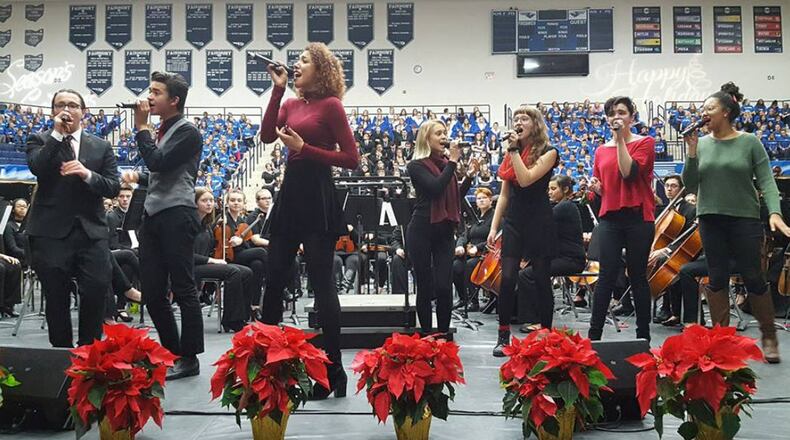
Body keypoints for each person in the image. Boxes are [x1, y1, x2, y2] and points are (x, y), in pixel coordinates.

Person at [259, 43, 359, 399]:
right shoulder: (288, 103)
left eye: (303, 61)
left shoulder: (330, 106)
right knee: (274, 279)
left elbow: (351, 158)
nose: (296, 64)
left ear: (321, 69)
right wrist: (277, 89)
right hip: (291, 194)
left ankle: (333, 371)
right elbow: (267, 135)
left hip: (318, 194)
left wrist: (304, 149)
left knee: (322, 285)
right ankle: (266, 366)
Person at [682, 82, 790, 364]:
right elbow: (690, 184)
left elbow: (766, 180)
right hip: (710, 218)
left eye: (709, 108)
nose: (703, 113)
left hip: (744, 217)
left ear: (726, 112)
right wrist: (692, 153)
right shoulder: (701, 144)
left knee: (753, 276)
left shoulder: (749, 142)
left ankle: (768, 338)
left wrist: (775, 213)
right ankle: (722, 345)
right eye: (702, 108)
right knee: (716, 278)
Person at [124, 71, 203, 380]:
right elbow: (162, 171)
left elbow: (157, 162)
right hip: (154, 215)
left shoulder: (188, 131)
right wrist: (139, 177)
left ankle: (191, 356)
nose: (149, 97)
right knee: (154, 292)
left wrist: (141, 127)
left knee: (183, 288)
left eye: (156, 92)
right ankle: (171, 352)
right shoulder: (164, 130)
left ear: (174, 100)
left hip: (178, 215)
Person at [25, 88, 120, 347]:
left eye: (73, 105)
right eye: (60, 105)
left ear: (83, 112)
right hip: (50, 233)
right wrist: (56, 135)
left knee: (96, 290)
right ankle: (61, 357)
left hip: (91, 232)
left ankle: (89, 353)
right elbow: (38, 167)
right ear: (53, 111)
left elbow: (113, 186)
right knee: (56, 298)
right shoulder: (39, 139)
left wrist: (87, 174)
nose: (67, 110)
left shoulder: (101, 146)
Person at [488, 106, 558, 357]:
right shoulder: (511, 154)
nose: (518, 121)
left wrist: (514, 150)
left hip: (538, 220)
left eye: (524, 118)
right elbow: (505, 193)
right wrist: (494, 227)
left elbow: (527, 179)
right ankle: (503, 335)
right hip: (514, 221)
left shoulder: (550, 153)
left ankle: (548, 335)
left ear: (535, 124)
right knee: (507, 278)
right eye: (515, 118)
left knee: (541, 278)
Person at [588, 96, 655, 343]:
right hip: (610, 218)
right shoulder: (600, 150)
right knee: (605, 275)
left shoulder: (645, 143)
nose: (616, 116)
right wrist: (597, 189)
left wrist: (619, 141)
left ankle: (643, 336)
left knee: (637, 275)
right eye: (612, 113)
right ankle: (594, 335)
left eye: (622, 112)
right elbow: (603, 189)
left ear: (631, 117)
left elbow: (628, 173)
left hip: (638, 217)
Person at [406, 120, 472, 337]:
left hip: (444, 230)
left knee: (444, 287)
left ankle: (443, 336)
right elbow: (435, 189)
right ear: (427, 138)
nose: (444, 137)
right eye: (439, 133)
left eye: (445, 133)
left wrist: (469, 177)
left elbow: (454, 198)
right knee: (425, 287)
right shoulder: (416, 165)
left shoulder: (446, 165)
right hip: (422, 229)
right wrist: (453, 161)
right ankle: (427, 336)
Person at [518, 175, 586, 332]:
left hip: (571, 260)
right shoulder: (561, 206)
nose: (549, 192)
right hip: (560, 257)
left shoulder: (565, 207)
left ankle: (538, 320)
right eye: (548, 189)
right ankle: (526, 316)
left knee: (528, 275)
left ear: (566, 189)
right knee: (529, 272)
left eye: (553, 189)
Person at [193, 187, 254, 332]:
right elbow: (186, 254)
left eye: (211, 200)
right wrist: (212, 260)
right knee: (233, 271)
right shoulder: (190, 223)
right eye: (204, 201)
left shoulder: (207, 224)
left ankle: (242, 316)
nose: (209, 204)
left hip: (205, 262)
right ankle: (231, 320)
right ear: (195, 203)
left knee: (247, 272)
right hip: (193, 265)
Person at [219, 189, 267, 310]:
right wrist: (231, 242)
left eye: (239, 200)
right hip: (228, 256)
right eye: (232, 200)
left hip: (240, 255)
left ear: (244, 203)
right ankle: (276, 280)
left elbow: (247, 245)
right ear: (227, 203)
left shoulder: (242, 221)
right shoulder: (222, 220)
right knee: (261, 252)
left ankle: (253, 305)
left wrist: (241, 241)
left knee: (257, 264)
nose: (236, 203)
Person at [452, 187, 495, 312]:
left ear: (490, 200)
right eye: (478, 198)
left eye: (484, 198)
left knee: (469, 265)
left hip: (487, 254)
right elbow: (465, 235)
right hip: (471, 254)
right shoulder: (475, 219)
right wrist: (460, 245)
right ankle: (463, 298)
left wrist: (478, 247)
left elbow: (495, 238)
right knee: (455, 266)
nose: (481, 201)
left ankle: (473, 301)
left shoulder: (494, 218)